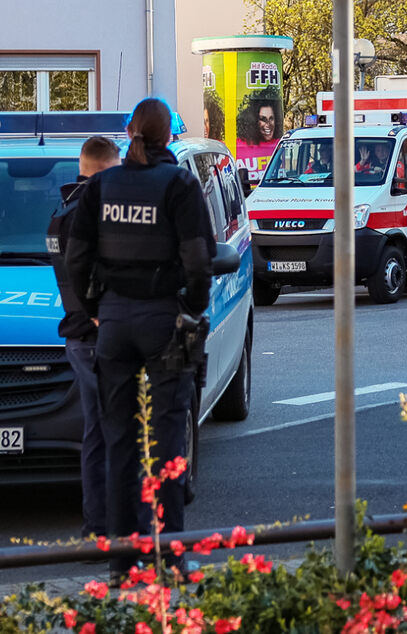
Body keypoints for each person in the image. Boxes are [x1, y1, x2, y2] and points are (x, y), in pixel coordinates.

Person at [65, 98, 216, 581]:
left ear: (131, 131)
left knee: (118, 443)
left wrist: (97, 310)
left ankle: (120, 563)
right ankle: (170, 557)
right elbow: (198, 259)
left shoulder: (103, 184)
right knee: (167, 440)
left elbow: (75, 259)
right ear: (168, 136)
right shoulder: (178, 184)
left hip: (113, 325)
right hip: (161, 320)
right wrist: (190, 308)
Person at [46, 136, 120, 539]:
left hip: (79, 336)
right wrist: (99, 314)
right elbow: (82, 273)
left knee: (97, 433)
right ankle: (107, 526)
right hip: (95, 335)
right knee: (112, 431)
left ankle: (99, 524)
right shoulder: (89, 212)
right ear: (107, 169)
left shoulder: (63, 208)